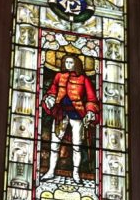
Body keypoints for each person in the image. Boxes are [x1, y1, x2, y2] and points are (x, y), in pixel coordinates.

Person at [41, 54, 99, 182]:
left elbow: (91, 99)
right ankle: (51, 171)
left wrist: (90, 111)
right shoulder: (59, 76)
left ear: (76, 64)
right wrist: (50, 98)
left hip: (77, 114)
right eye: (66, 62)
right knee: (54, 144)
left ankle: (76, 173)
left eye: (71, 62)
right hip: (60, 113)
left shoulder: (83, 79)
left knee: (77, 146)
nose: (68, 64)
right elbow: (52, 91)